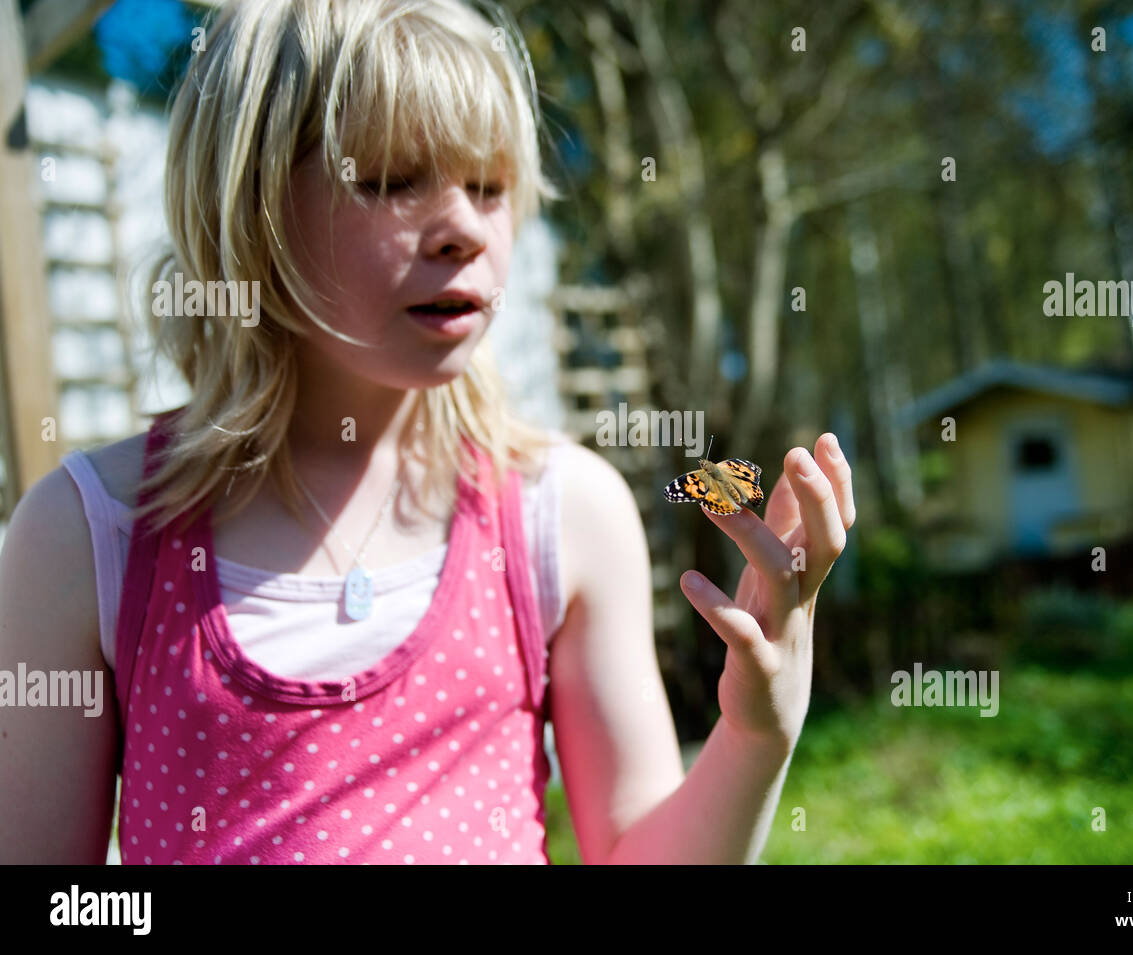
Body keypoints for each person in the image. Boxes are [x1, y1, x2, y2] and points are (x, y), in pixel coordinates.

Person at [0, 0, 854, 864]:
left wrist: (754, 736)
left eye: (489, 186)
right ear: (249, 208)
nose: (464, 229)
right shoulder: (88, 537)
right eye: (391, 180)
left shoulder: (561, 514)